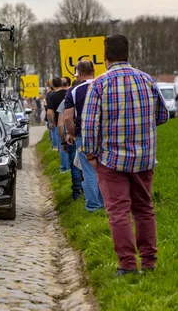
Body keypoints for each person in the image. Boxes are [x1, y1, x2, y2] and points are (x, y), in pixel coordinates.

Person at [81, 34, 168, 276]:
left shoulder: (99, 83)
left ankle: (127, 265)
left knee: (118, 212)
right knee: (144, 209)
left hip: (110, 159)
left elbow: (89, 125)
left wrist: (90, 153)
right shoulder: (147, 80)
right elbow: (163, 115)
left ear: (105, 57)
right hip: (143, 157)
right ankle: (149, 262)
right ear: (128, 54)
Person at [63, 60, 104, 212]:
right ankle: (106, 203)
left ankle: (94, 206)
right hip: (105, 133)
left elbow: (67, 118)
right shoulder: (103, 85)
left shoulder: (74, 91)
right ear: (94, 70)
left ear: (79, 74)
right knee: (104, 169)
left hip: (84, 135)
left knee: (88, 170)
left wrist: (72, 133)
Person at [47, 78, 70, 172]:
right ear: (62, 83)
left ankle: (65, 168)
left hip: (60, 123)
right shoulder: (69, 92)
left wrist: (53, 122)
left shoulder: (52, 96)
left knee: (62, 146)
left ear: (52, 85)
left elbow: (49, 112)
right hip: (71, 121)